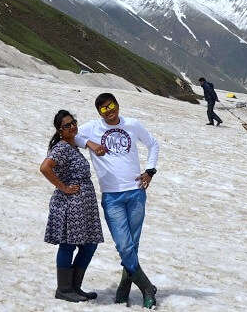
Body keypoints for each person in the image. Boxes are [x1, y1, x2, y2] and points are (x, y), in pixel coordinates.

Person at [75, 93, 159, 309]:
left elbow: (153, 144)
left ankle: (124, 286)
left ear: (117, 105)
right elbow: (70, 135)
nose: (109, 110)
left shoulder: (132, 124)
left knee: (133, 244)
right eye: (104, 108)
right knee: (123, 244)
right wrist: (89, 144)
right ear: (99, 112)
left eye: (111, 105)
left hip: (136, 192)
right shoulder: (92, 127)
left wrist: (150, 171)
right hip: (111, 195)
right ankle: (147, 287)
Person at [40, 110, 105, 302]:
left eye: (73, 123)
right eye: (67, 125)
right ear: (60, 131)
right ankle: (64, 289)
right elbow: (44, 168)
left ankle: (75, 287)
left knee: (89, 244)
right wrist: (64, 188)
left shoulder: (72, 145)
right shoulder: (61, 148)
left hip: (83, 203)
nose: (73, 127)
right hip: (70, 203)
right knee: (68, 245)